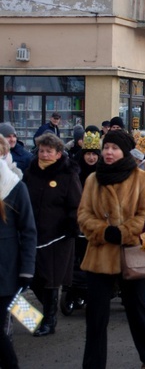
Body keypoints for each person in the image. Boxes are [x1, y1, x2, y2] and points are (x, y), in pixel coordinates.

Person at [77, 130, 145, 368]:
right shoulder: (93, 180)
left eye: (114, 148)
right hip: (100, 256)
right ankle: (93, 364)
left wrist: (123, 232)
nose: (108, 152)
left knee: (136, 310)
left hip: (132, 254)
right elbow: (83, 214)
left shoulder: (143, 179)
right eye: (106, 147)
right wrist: (102, 231)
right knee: (96, 316)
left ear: (125, 151)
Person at [23, 132, 82, 337]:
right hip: (31, 234)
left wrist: (71, 224)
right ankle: (32, 318)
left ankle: (49, 322)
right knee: (28, 279)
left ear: (58, 154)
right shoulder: (31, 172)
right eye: (42, 151)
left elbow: (76, 204)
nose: (44, 154)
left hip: (57, 237)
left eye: (49, 151)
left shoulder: (67, 174)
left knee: (49, 279)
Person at [0, 135, 37, 369]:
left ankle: (41, 320)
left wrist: (27, 270)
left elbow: (28, 230)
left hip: (6, 268)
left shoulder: (14, 186)